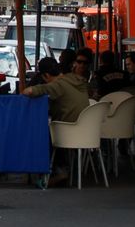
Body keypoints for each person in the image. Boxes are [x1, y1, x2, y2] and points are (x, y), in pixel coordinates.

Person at [22, 56, 90, 187]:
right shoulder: (74, 79)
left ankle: (58, 171)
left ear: (46, 75)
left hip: (70, 131)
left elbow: (30, 91)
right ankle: (62, 169)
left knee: (46, 133)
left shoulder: (57, 85)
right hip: (88, 130)